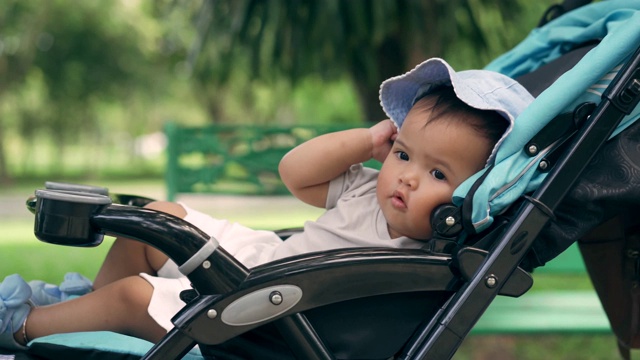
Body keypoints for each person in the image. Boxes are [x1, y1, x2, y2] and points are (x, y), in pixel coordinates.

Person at [0, 57, 534, 350]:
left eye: (437, 172)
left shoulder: (431, 253)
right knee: (158, 219)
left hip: (273, 318)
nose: (408, 178)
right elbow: (294, 173)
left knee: (138, 299)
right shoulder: (363, 188)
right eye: (402, 153)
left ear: (470, 194)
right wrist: (367, 144)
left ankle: (23, 328)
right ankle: (83, 316)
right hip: (261, 268)